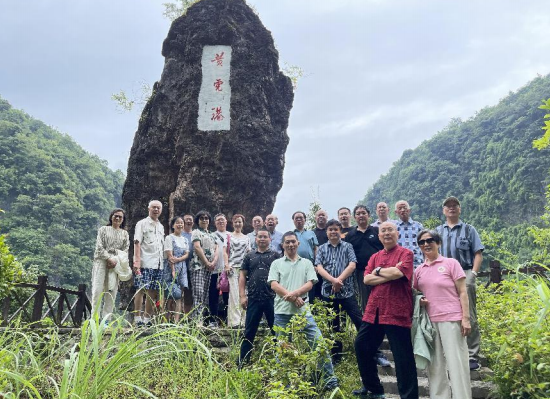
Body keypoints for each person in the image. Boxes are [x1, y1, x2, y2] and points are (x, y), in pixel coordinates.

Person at [353, 221, 418, 399]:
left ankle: (409, 396)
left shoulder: (406, 253)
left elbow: (399, 274)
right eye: (383, 231)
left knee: (402, 356)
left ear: (397, 234)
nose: (387, 233)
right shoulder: (374, 256)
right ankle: (374, 389)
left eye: (390, 230)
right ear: (379, 236)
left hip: (397, 310)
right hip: (374, 310)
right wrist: (389, 274)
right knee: (362, 345)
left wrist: (379, 271)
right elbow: (366, 279)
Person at [267, 231, 339, 391]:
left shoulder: (306, 263)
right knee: (283, 350)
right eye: (287, 242)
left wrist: (294, 294)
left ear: (298, 243)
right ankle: (284, 386)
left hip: (303, 313)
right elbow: (274, 284)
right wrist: (293, 298)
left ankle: (330, 382)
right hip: (282, 313)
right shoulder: (276, 263)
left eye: (293, 241)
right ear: (283, 245)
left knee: (319, 345)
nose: (291, 244)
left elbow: (310, 283)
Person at [414, 229, 472, 399]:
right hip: (429, 323)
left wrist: (466, 319)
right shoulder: (419, 270)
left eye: (430, 240)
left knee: (457, 363)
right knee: (435, 366)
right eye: (422, 242)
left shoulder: (451, 263)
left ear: (438, 243)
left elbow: (462, 292)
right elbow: (416, 294)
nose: (426, 244)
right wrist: (420, 301)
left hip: (452, 319)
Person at [436, 196, 484, 371]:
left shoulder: (469, 230)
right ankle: (449, 352)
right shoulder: (437, 232)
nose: (451, 208)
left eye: (455, 205)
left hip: (464, 273)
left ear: (459, 209)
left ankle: (472, 355)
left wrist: (474, 274)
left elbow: (478, 253)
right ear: (443, 211)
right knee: (445, 313)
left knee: (468, 313)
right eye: (448, 206)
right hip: (443, 275)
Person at [345, 205, 389, 368]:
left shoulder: (377, 231)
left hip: (381, 273)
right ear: (354, 217)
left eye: (363, 213)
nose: (361, 215)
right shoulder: (350, 235)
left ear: (369, 215)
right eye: (358, 213)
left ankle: (388, 335)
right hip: (362, 274)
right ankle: (374, 346)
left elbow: (385, 250)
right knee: (368, 307)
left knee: (385, 304)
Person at [315, 219, 362, 363]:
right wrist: (332, 281)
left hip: (347, 291)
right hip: (328, 292)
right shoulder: (322, 248)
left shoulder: (347, 246)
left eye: (336, 229)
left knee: (359, 320)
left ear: (340, 231)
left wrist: (339, 280)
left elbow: (352, 264)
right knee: (333, 324)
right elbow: (319, 267)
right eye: (330, 230)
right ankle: (336, 355)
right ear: (327, 232)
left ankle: (369, 349)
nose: (333, 232)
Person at [238, 227, 280, 366]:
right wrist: (242, 296)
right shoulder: (249, 255)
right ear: (255, 239)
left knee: (277, 331)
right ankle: (242, 362)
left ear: (270, 239)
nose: (262, 239)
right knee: (249, 330)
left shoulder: (276, 256)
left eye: (265, 237)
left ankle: (281, 362)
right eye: (260, 237)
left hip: (272, 298)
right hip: (254, 298)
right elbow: (242, 276)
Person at [91, 208, 130, 321]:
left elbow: (125, 250)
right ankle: (94, 319)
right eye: (115, 216)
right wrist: (108, 258)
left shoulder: (124, 234)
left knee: (111, 292)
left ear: (123, 220)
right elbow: (99, 247)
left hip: (115, 264)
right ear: (111, 217)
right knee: (97, 290)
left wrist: (115, 260)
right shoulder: (103, 229)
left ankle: (106, 320)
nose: (117, 218)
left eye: (120, 217)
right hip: (101, 262)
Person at [133, 200, 165, 327]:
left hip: (158, 263)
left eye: (158, 208)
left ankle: (147, 318)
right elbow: (137, 242)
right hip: (145, 261)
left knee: (153, 291)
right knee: (141, 289)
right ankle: (137, 318)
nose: (156, 210)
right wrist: (137, 261)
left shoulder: (161, 226)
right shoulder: (142, 224)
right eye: (154, 207)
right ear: (148, 209)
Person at [189, 210, 219, 322]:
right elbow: (197, 247)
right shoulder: (196, 232)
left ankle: (201, 318)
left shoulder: (212, 234)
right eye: (202, 218)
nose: (205, 220)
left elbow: (216, 249)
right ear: (198, 220)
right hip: (198, 266)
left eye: (206, 218)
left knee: (205, 294)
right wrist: (206, 262)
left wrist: (213, 262)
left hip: (210, 267)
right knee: (198, 292)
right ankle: (197, 321)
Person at [163, 216, 190, 323]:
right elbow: (170, 256)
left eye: (181, 223)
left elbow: (187, 254)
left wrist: (178, 259)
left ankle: (176, 321)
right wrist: (173, 270)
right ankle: (166, 320)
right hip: (170, 269)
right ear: (173, 225)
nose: (180, 225)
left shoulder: (185, 239)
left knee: (179, 295)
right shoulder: (169, 238)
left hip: (182, 268)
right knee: (168, 295)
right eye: (177, 223)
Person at [227, 214, 251, 327]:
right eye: (236, 221)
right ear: (232, 223)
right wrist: (227, 265)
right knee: (234, 295)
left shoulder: (247, 238)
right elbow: (225, 251)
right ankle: (234, 322)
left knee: (244, 294)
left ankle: (244, 320)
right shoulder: (229, 236)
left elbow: (248, 253)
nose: (238, 224)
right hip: (233, 267)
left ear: (243, 223)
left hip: (244, 269)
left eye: (240, 222)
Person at [292, 211, 319, 303]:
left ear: (305, 220)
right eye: (296, 218)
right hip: (295, 265)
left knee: (310, 286)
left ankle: (310, 310)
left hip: (310, 265)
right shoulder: (291, 234)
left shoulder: (311, 233)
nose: (299, 220)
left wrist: (316, 264)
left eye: (301, 218)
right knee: (297, 285)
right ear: (293, 221)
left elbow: (315, 249)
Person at [209, 213, 229, 326]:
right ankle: (213, 319)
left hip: (227, 270)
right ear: (215, 223)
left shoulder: (230, 235)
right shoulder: (212, 235)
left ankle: (228, 319)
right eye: (218, 220)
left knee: (227, 297)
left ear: (226, 221)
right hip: (215, 270)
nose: (221, 222)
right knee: (213, 296)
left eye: (222, 220)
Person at [394, 200, 424, 268]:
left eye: (404, 208)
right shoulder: (393, 227)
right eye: (400, 208)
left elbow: (424, 244)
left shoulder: (418, 226)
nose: (402, 210)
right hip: (399, 264)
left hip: (417, 263)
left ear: (409, 210)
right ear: (396, 212)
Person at [181, 213, 195, 314]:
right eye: (187, 220)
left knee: (189, 293)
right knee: (178, 292)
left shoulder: (195, 234)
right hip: (180, 266)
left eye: (191, 220)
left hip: (192, 268)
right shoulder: (179, 234)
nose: (189, 221)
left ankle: (187, 317)